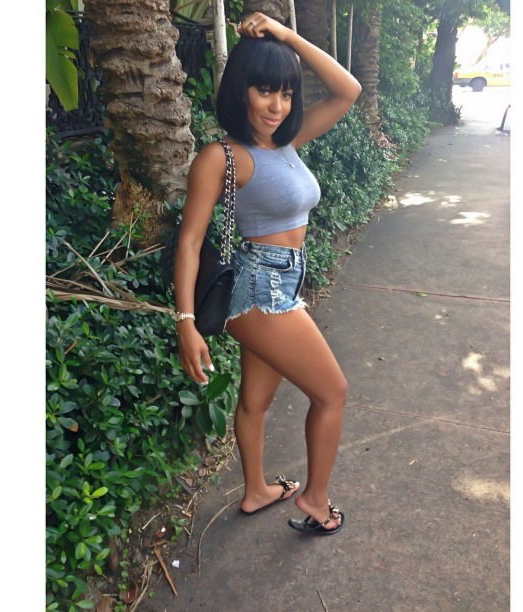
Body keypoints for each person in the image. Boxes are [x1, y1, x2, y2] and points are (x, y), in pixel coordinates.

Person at [173, 12, 361, 535]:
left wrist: (286, 35)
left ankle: (256, 491)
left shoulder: (285, 143)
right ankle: (315, 500)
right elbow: (190, 241)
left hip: (284, 280)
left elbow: (348, 91)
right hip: (261, 288)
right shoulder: (221, 157)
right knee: (332, 392)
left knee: (255, 403)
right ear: (241, 91)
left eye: (285, 93)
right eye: (264, 91)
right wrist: (186, 321)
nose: (276, 106)